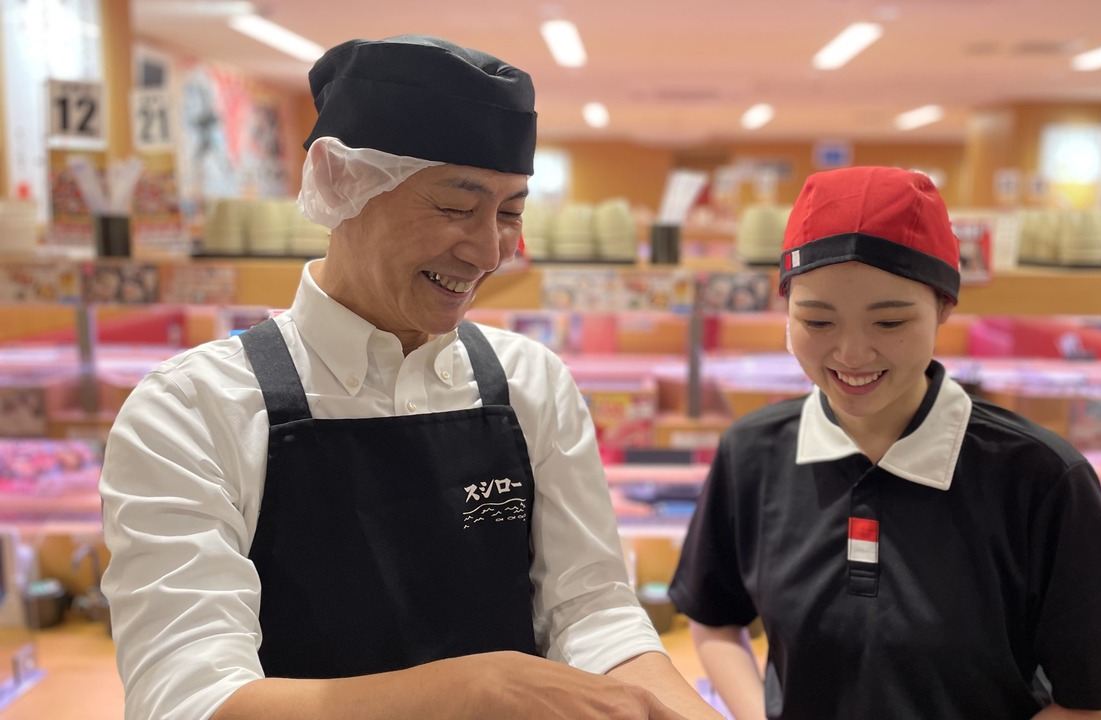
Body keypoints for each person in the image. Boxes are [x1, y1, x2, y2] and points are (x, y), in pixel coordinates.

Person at [100, 35, 720, 720]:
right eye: (456, 207)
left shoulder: (528, 383)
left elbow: (591, 609)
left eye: (511, 211)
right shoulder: (192, 410)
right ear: (341, 182)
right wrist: (469, 692)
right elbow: (187, 699)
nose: (488, 250)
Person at [669, 166, 1101, 719]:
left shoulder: (1040, 477)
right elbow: (714, 616)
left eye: (889, 323)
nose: (851, 353)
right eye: (817, 322)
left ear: (944, 308)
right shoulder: (753, 452)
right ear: (785, 311)